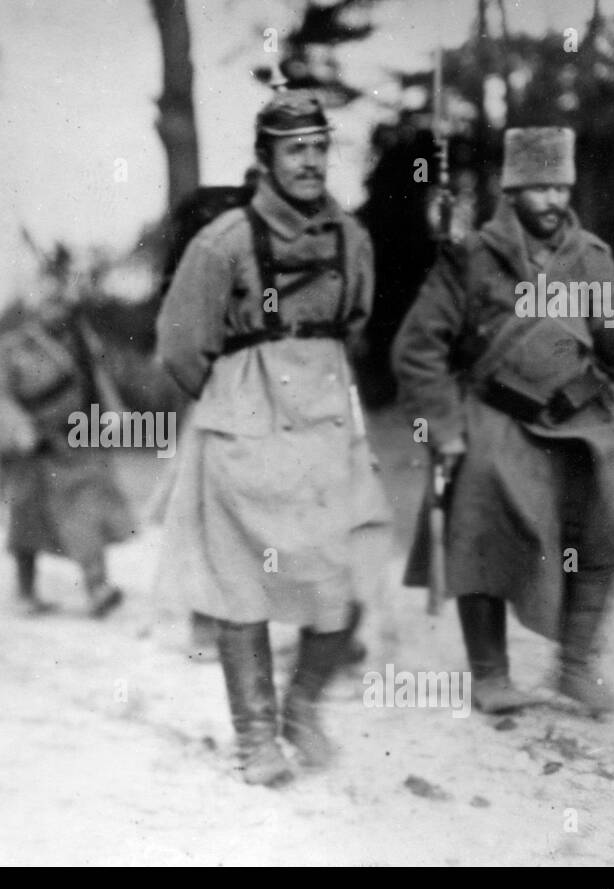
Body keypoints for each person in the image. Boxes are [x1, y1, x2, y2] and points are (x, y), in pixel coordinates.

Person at [156, 89, 392, 786]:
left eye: (320, 148)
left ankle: (302, 707)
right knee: (241, 582)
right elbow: (180, 345)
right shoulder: (222, 243)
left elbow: (356, 319)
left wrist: (310, 372)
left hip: (322, 411)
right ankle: (255, 738)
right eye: (296, 150)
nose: (311, 162)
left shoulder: (351, 239)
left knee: (352, 562)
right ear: (265, 158)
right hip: (243, 418)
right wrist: (238, 392)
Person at [393, 127, 614, 716]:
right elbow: (418, 348)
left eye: (560, 185)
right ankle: (490, 676)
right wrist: (446, 427)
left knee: (600, 544)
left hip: (571, 420)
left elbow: (611, 324)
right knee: (480, 537)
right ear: (511, 190)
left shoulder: (590, 255)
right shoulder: (470, 257)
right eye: (538, 186)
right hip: (494, 419)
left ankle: (574, 668)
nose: (552, 200)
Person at [0, 304, 135, 618]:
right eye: (46, 302)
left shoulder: (80, 343)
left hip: (77, 439)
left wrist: (115, 413)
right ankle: (25, 590)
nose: (54, 311)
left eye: (60, 304)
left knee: (87, 508)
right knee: (26, 516)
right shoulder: (12, 347)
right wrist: (17, 426)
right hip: (33, 444)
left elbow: (97, 379)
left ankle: (98, 588)